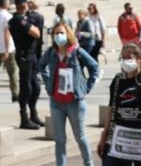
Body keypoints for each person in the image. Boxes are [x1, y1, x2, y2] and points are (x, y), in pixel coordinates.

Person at [39, 22, 100, 166]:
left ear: (68, 34)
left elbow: (95, 67)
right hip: (56, 102)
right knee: (59, 140)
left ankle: (89, 163)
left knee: (80, 137)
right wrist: (48, 83)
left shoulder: (77, 51)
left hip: (75, 102)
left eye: (62, 33)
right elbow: (41, 65)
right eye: (56, 33)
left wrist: (86, 87)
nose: (59, 36)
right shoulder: (51, 52)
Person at [97, 43, 141, 166]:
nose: (126, 60)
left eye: (130, 57)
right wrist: (104, 135)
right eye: (123, 57)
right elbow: (111, 109)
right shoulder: (118, 80)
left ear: (139, 58)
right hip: (120, 138)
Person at [8, 0, 44, 129]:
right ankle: (24, 117)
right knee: (26, 86)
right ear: (25, 5)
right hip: (24, 55)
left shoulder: (25, 18)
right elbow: (36, 33)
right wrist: (33, 26)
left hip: (32, 54)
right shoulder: (18, 19)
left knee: (36, 86)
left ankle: (33, 113)